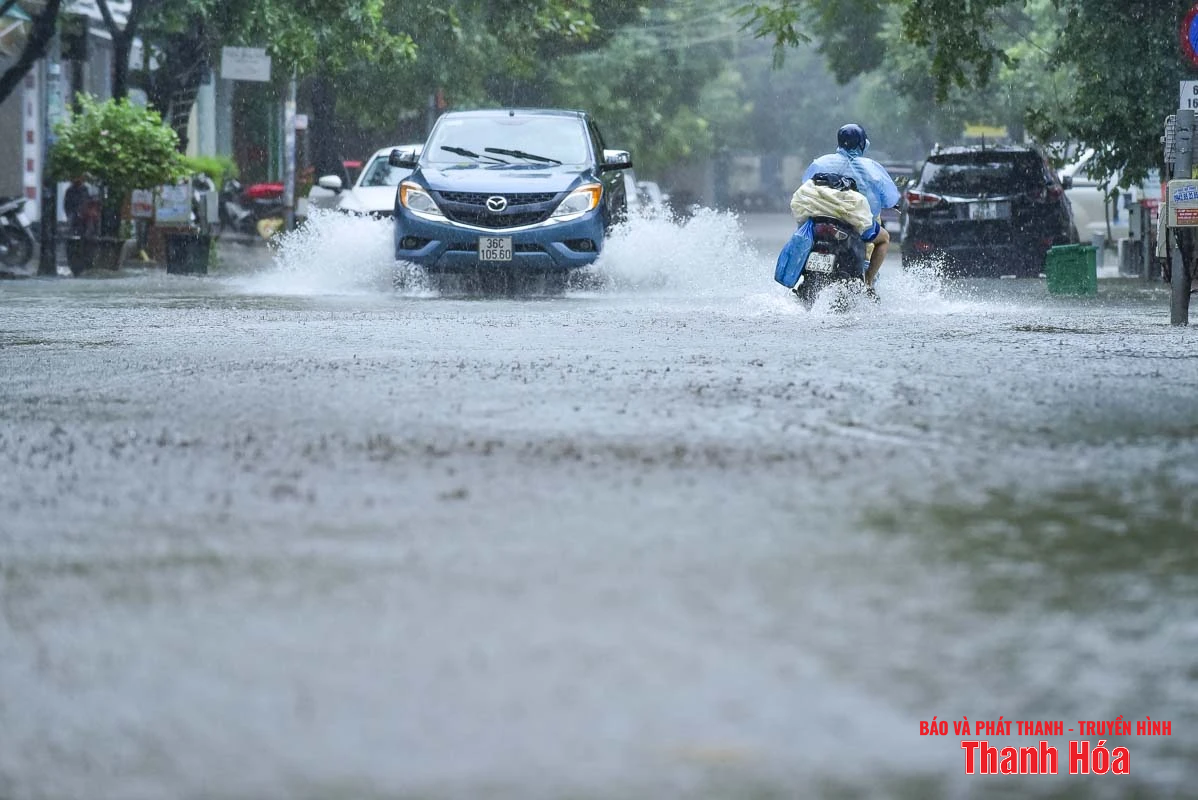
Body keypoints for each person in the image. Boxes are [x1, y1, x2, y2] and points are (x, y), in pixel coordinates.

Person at [800, 124, 900, 288]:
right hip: (854, 222)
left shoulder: (820, 163)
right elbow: (890, 199)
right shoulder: (871, 168)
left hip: (820, 220)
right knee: (884, 238)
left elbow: (806, 185)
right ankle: (868, 282)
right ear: (862, 143)